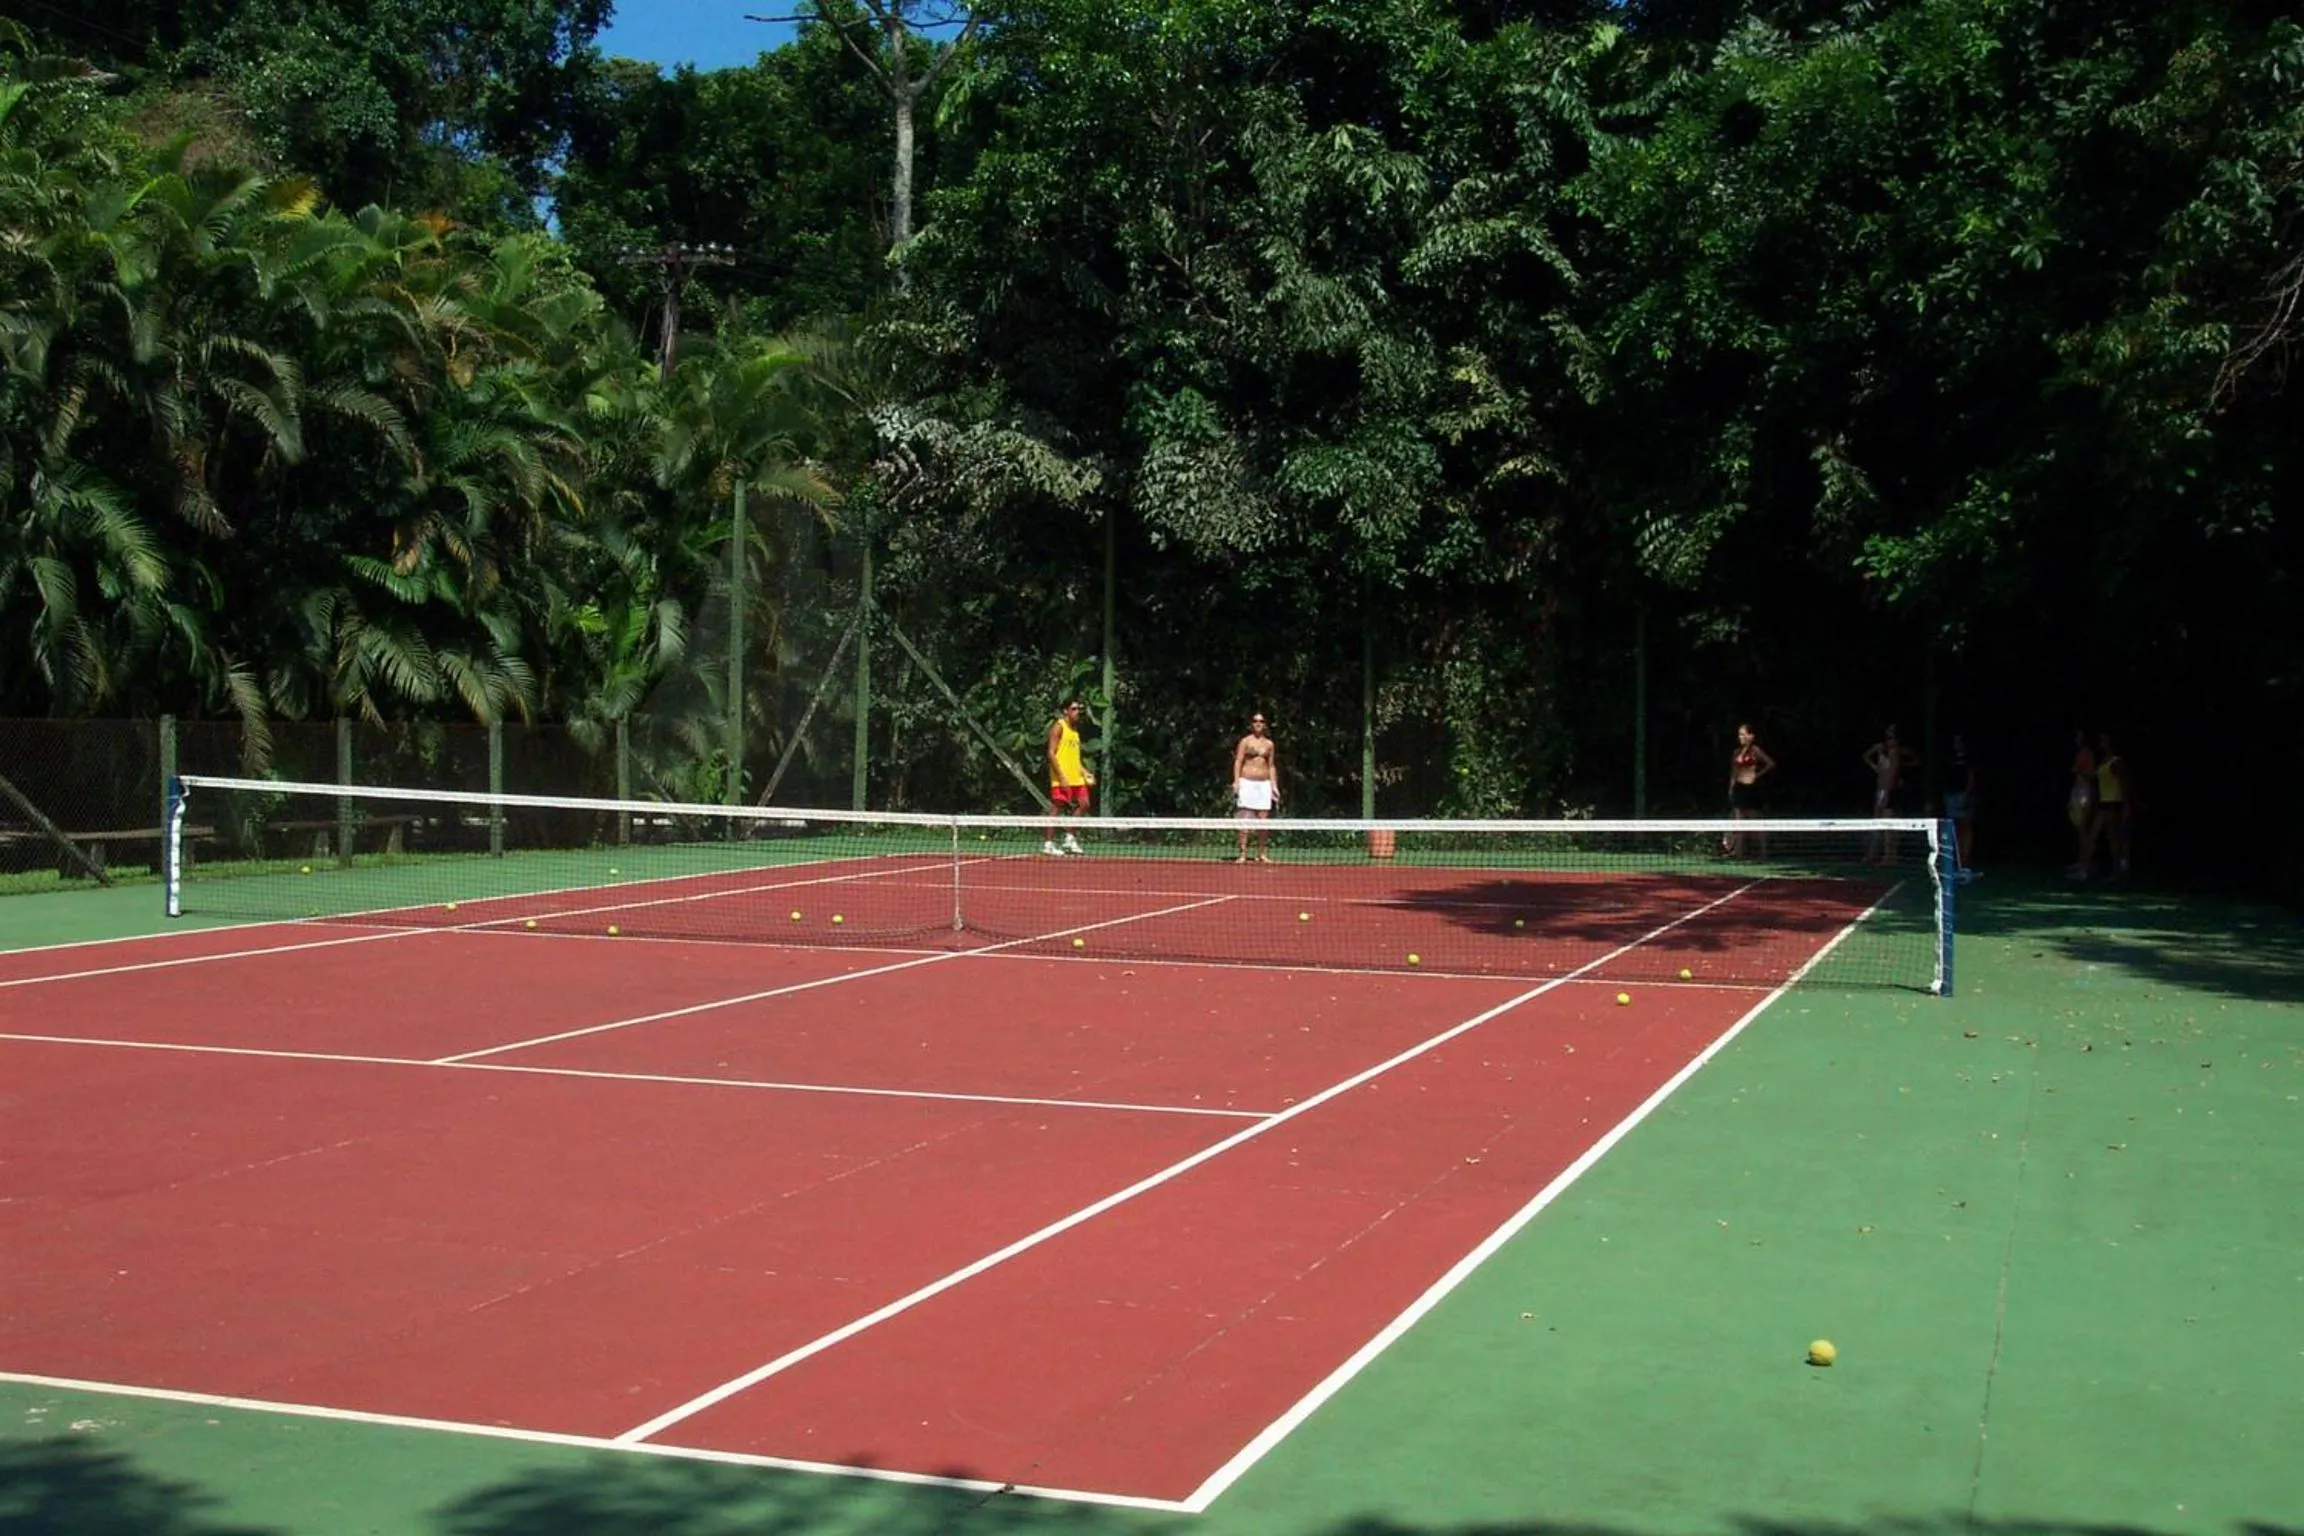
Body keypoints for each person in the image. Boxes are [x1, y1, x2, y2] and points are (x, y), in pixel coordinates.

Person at [1043, 698, 1093, 856]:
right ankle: (1049, 844)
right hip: (1061, 777)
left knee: (1084, 804)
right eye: (1074, 709)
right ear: (1065, 711)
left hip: (1076, 777)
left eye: (1079, 709)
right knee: (1057, 807)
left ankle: (1069, 838)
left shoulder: (1075, 731)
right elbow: (1051, 753)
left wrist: (1084, 771)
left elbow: (1075, 758)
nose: (1077, 712)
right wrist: (1062, 778)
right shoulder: (1059, 727)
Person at [2080, 732, 2132, 880]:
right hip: (2105, 801)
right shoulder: (2104, 760)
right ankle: (2116, 872)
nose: (2101, 742)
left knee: (2093, 835)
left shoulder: (2116, 761)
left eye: (2104, 739)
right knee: (2112, 839)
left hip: (2112, 802)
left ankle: (2084, 869)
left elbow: (2123, 783)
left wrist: (2126, 805)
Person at [1862, 725, 1917, 864]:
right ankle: (1872, 854)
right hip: (1880, 790)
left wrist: (1888, 791)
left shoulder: (1897, 753)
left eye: (1892, 737)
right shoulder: (1880, 748)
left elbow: (1894, 772)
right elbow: (1866, 756)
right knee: (1877, 822)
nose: (1889, 740)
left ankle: (1890, 856)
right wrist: (1875, 767)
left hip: (1890, 791)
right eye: (1887, 737)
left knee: (1889, 823)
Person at [1231, 711, 1280, 862]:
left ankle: (1261, 853)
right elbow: (1238, 761)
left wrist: (1274, 786)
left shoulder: (1269, 744)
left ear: (1264, 724)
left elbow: (1271, 766)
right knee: (1244, 818)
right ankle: (1243, 853)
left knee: (1263, 820)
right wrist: (1236, 781)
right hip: (1247, 782)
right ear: (1251, 724)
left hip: (1263, 784)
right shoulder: (1245, 742)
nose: (1258, 723)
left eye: (1261, 721)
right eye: (1255, 721)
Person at [1723, 723, 1776, 858]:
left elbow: (1770, 764)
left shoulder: (1755, 751)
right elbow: (1734, 772)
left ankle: (1764, 854)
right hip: (1739, 790)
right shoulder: (1736, 753)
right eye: (1739, 734)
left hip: (1751, 790)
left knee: (1756, 822)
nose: (1740, 737)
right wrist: (1731, 788)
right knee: (1739, 822)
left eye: (1743, 734)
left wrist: (1756, 775)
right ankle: (1739, 854)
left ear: (1751, 736)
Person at [1944, 733, 1978, 879]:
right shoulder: (1950, 758)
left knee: (1966, 827)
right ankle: (1956, 863)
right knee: (1954, 829)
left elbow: (1971, 776)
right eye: (1955, 741)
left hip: (1964, 796)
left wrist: (1966, 793)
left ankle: (1965, 863)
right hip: (1951, 795)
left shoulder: (1969, 758)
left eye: (1959, 741)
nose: (1957, 744)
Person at [2064, 729, 2097, 878]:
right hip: (2078, 790)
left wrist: (2079, 771)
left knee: (2084, 830)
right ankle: (2081, 862)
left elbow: (2091, 774)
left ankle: (2085, 867)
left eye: (2079, 735)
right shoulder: (2079, 753)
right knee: (2079, 830)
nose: (2076, 738)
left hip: (2084, 791)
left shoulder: (2088, 754)